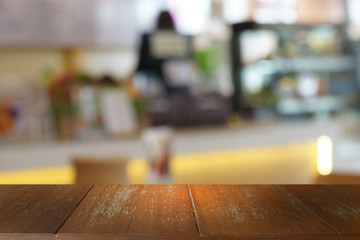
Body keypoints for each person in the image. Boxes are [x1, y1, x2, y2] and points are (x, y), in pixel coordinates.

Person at [136, 11, 192, 95]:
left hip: (155, 82)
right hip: (178, 84)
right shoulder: (181, 39)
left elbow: (142, 64)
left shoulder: (149, 38)